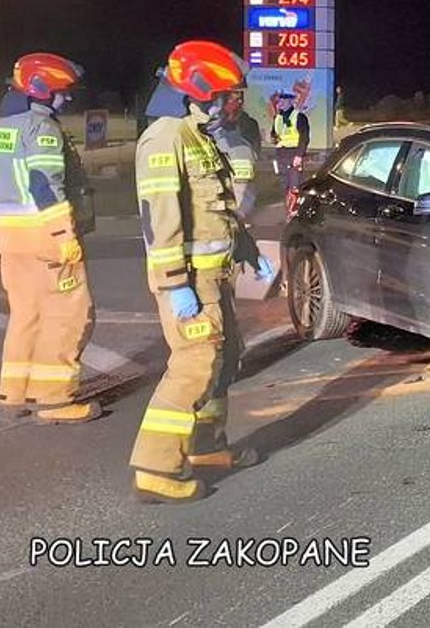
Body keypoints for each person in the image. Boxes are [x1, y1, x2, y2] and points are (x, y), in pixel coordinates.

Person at [130, 40, 261, 503]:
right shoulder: (167, 137)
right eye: (226, 95)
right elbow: (160, 218)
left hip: (215, 275)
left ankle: (206, 446)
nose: (232, 104)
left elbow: (218, 209)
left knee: (223, 364)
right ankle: (155, 465)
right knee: (194, 365)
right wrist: (175, 286)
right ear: (199, 90)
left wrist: (246, 247)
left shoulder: (200, 134)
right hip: (189, 281)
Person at [0, 53, 100, 423]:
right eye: (62, 93)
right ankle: (55, 400)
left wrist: (5, 227)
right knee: (69, 316)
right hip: (47, 234)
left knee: (26, 315)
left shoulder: (2, 128)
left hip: (12, 237)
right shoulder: (41, 129)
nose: (67, 100)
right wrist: (63, 235)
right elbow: (45, 184)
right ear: (41, 90)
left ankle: (14, 392)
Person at [208, 91, 263, 220]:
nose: (235, 103)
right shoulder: (215, 122)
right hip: (228, 169)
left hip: (242, 170)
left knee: (242, 202)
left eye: (237, 99)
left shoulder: (248, 123)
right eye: (232, 99)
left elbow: (255, 147)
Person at [269, 92, 310, 194]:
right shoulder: (277, 118)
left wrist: (299, 155)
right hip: (281, 153)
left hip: (294, 153)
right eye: (280, 101)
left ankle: (295, 206)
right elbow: (274, 133)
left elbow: (304, 137)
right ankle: (287, 203)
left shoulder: (299, 117)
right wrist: (273, 138)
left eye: (284, 100)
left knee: (295, 182)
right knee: (284, 182)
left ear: (291, 102)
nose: (281, 103)